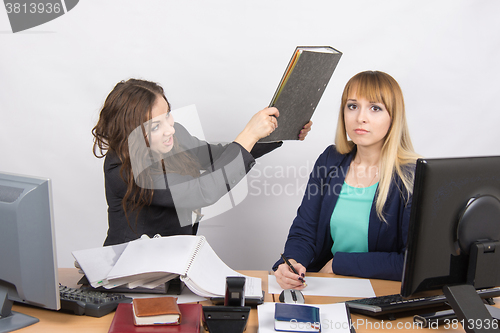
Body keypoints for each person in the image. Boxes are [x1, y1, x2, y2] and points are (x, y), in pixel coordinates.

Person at [92, 79, 312, 246]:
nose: (170, 129)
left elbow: (218, 156)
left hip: (170, 270)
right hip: (128, 278)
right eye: (155, 126)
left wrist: (279, 129)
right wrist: (249, 132)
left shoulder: (173, 137)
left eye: (167, 115)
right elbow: (202, 191)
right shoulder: (122, 169)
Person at [273, 70, 420, 288]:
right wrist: (292, 262)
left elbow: (412, 262)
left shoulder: (412, 177)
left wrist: (339, 264)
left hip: (383, 294)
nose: (360, 117)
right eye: (352, 106)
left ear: (393, 117)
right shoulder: (330, 160)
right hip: (330, 287)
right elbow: (306, 231)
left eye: (375, 108)